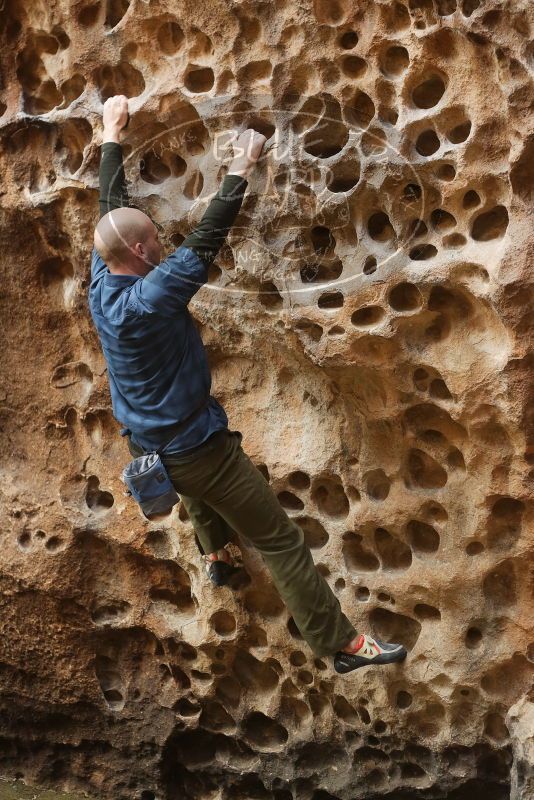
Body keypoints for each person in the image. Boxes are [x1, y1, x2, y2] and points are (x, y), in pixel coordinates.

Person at [88, 95, 408, 674]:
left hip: (147, 443)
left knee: (193, 490)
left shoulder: (101, 282)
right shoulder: (151, 298)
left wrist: (111, 133)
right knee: (281, 540)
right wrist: (241, 167)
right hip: (198, 452)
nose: (162, 241)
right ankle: (340, 644)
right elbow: (206, 240)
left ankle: (216, 555)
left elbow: (109, 208)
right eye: (155, 239)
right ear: (140, 252)